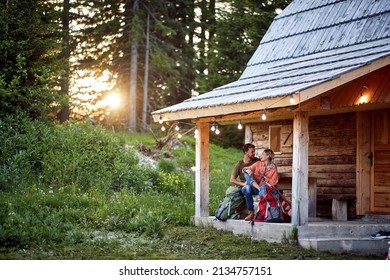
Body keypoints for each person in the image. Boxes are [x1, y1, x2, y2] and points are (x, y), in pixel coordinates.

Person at [242, 148, 279, 221]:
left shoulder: (274, 168)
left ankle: (261, 212)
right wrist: (248, 170)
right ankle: (251, 212)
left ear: (268, 156)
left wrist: (265, 179)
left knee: (261, 188)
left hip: (264, 188)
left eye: (263, 154)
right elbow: (245, 169)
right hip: (255, 187)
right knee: (247, 178)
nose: (261, 155)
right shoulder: (258, 163)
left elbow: (274, 182)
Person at [229, 144, 260, 219]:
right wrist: (242, 184)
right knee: (247, 188)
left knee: (250, 186)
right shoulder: (239, 164)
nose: (254, 153)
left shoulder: (257, 161)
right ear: (246, 152)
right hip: (245, 188)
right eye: (252, 152)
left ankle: (262, 213)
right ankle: (251, 212)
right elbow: (232, 179)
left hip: (256, 187)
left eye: (254, 151)